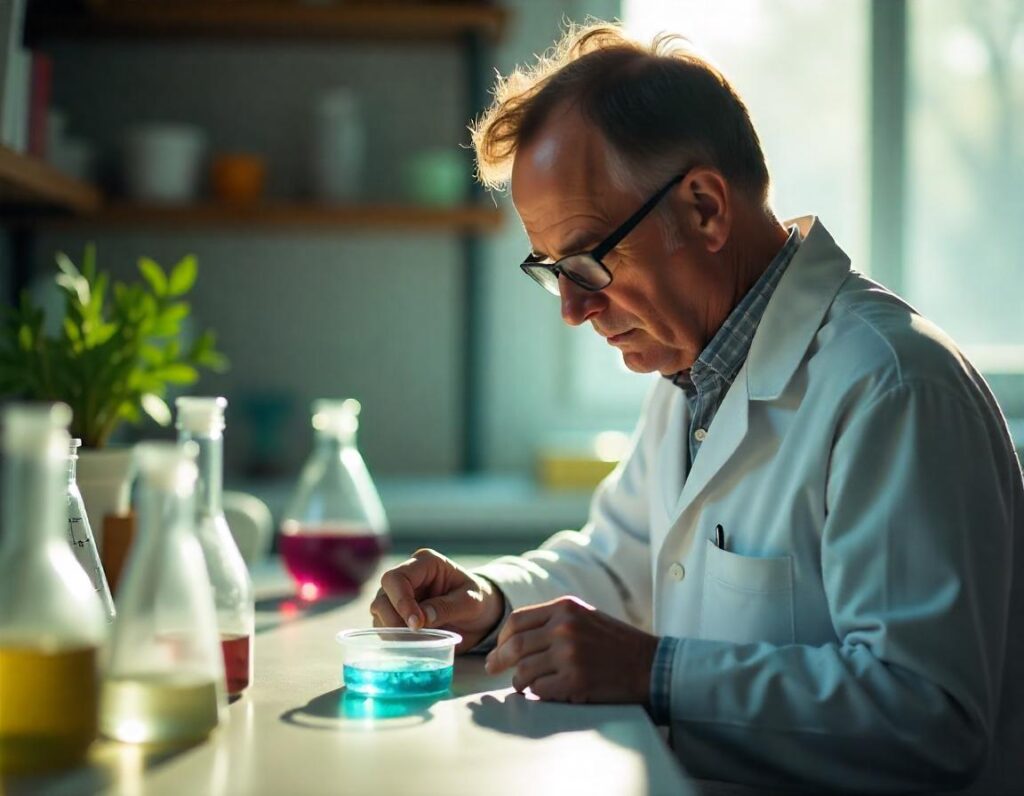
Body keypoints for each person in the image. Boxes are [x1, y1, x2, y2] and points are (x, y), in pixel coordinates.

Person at [370, 22, 1023, 793]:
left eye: (586, 260)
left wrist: (658, 672)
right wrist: (494, 599)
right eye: (552, 271)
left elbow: (928, 721)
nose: (573, 310)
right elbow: (624, 563)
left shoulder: (893, 388)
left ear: (705, 207)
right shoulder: (692, 373)